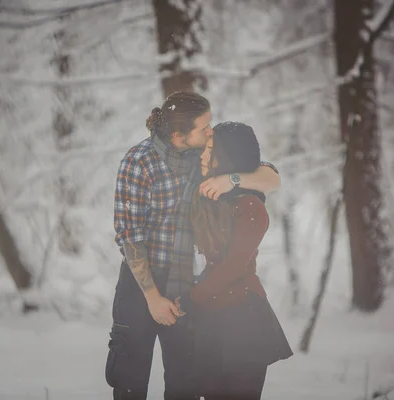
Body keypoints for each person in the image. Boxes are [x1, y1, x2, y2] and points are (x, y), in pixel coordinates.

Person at [106, 92, 280, 400]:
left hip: (185, 284)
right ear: (177, 135)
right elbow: (129, 235)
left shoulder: (203, 157)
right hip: (141, 283)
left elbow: (271, 177)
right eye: (204, 127)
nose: (210, 132)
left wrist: (232, 181)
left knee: (185, 383)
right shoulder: (139, 162)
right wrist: (152, 297)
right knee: (129, 380)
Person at [176, 122, 293, 400]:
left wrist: (192, 297)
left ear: (228, 157)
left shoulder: (250, 206)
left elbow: (234, 265)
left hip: (243, 320)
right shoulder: (209, 196)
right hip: (210, 318)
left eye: (209, 151)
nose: (202, 156)